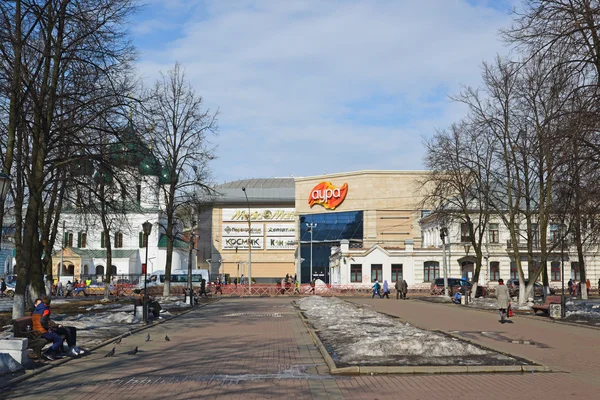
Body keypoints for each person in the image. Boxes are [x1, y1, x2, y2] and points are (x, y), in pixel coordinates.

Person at [32, 296, 83, 360]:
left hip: (37, 330)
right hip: (43, 331)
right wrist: (49, 329)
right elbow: (43, 321)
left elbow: (42, 321)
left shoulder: (36, 309)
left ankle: (68, 349)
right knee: (59, 339)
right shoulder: (45, 310)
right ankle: (48, 352)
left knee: (67, 330)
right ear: (48, 303)